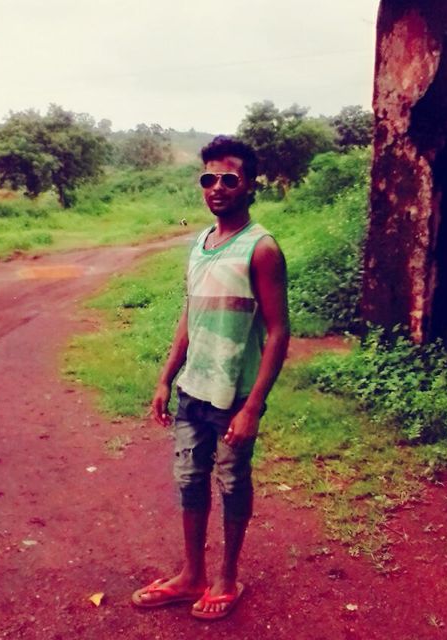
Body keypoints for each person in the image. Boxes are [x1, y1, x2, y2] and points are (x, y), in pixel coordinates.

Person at [132, 136, 290, 620]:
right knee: (189, 479)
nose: (217, 187)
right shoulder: (200, 244)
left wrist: (252, 407)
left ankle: (226, 578)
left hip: (233, 395)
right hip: (192, 391)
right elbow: (190, 316)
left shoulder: (261, 249)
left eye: (229, 179)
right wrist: (166, 378)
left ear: (250, 186)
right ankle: (191, 575)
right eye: (209, 178)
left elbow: (279, 331)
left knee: (232, 481)